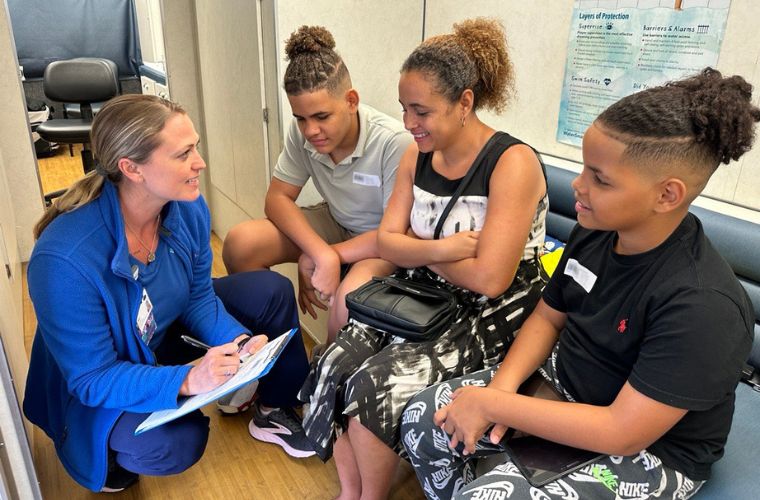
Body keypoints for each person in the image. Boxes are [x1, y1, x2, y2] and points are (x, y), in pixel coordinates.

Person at [401, 67, 758, 500]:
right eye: (584, 168)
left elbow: (622, 432)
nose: (577, 186)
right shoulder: (596, 230)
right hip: (567, 384)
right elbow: (549, 318)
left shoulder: (704, 305)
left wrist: (495, 406)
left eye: (600, 179)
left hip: (648, 447)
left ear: (667, 195)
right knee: (423, 418)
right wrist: (498, 392)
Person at [298, 18, 548, 499]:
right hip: (425, 293)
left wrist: (413, 247)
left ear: (465, 103)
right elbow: (387, 241)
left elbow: (491, 279)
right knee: (333, 361)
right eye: (403, 109)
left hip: (491, 311)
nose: (409, 123)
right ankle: (351, 492)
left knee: (374, 385)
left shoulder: (511, 163)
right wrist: (440, 250)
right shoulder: (417, 155)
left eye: (421, 111)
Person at [23, 94, 314, 493]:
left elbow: (197, 298)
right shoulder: (63, 260)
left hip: (160, 336)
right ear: (132, 168)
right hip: (101, 375)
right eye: (184, 154)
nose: (200, 162)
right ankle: (107, 459)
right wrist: (190, 378)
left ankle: (272, 409)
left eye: (196, 147)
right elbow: (92, 377)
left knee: (271, 291)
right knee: (175, 443)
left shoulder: (185, 207)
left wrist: (240, 344)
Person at [222, 25, 411, 346]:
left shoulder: (395, 142)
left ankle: (325, 375)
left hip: (382, 240)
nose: (311, 130)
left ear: (351, 101)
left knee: (345, 302)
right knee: (241, 243)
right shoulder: (304, 133)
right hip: (336, 222)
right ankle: (272, 353)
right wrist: (318, 250)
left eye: (322, 116)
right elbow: (278, 198)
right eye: (300, 118)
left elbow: (399, 235)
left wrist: (326, 255)